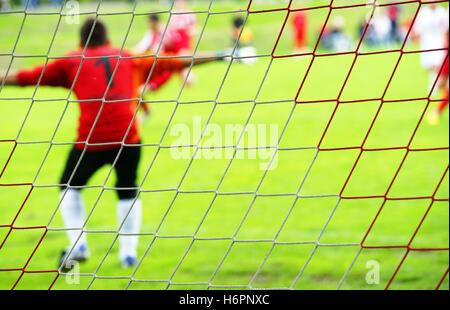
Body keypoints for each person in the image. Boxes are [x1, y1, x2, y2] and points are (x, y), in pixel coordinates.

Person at [0, 18, 224, 271]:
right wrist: (220, 54)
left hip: (92, 139)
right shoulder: (128, 57)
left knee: (68, 185)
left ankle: (79, 244)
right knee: (128, 188)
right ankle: (128, 254)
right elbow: (175, 61)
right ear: (107, 39)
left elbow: (27, 77)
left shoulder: (73, 60)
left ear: (81, 42)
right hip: (128, 137)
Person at [413, 4, 449, 93]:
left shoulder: (442, 12)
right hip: (427, 41)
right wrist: (417, 35)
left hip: (439, 41)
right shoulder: (423, 12)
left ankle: (435, 86)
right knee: (429, 65)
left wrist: (444, 39)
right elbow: (418, 27)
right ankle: (434, 84)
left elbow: (445, 28)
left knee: (438, 64)